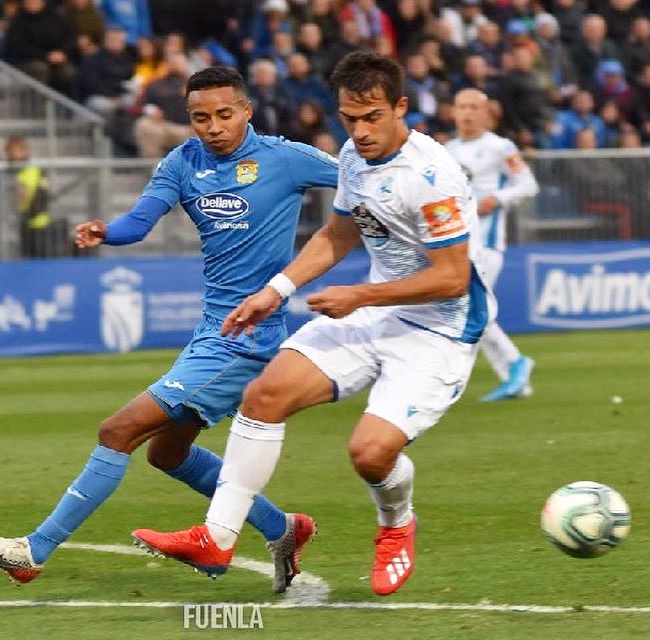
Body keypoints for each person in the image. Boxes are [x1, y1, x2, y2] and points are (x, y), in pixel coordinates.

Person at [0, 66, 339, 593]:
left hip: (248, 336)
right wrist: (107, 231)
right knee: (167, 453)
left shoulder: (287, 157)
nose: (213, 127)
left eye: (224, 114)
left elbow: (361, 179)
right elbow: (140, 222)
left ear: (247, 110)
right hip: (211, 330)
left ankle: (33, 551)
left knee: (117, 431)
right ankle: (283, 528)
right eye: (201, 118)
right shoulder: (182, 162)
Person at [131, 52, 494, 596]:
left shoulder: (432, 175)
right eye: (350, 118)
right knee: (265, 394)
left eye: (372, 117)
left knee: (369, 454)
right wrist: (274, 291)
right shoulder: (352, 156)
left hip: (440, 329)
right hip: (375, 309)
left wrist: (360, 294)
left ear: (401, 107)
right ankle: (218, 536)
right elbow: (337, 236)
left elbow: (452, 277)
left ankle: (397, 523)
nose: (360, 130)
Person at [445, 88, 539, 401]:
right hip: (455, 245)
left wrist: (498, 198)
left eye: (474, 107)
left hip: (486, 244)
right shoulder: (446, 150)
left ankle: (514, 364)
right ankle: (516, 378)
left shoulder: (500, 147)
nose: (467, 113)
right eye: (462, 107)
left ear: (486, 113)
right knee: (472, 310)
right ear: (453, 112)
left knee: (473, 308)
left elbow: (528, 184)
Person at [5, 136, 54, 258]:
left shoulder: (37, 170)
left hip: (38, 225)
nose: (15, 153)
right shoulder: (6, 172)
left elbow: (43, 196)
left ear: (25, 151)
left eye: (18, 150)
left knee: (40, 261)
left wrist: (26, 216)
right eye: (11, 150)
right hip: (16, 227)